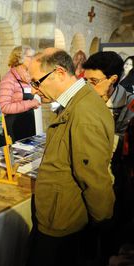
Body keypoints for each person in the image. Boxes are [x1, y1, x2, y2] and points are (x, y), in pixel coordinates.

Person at [26, 48, 115, 266]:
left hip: (62, 222)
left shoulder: (84, 112)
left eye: (37, 82)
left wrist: (102, 224)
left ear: (59, 72)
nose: (34, 91)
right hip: (57, 213)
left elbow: (93, 177)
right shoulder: (77, 102)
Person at [82, 51, 134, 263]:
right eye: (86, 80)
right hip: (87, 169)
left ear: (112, 79)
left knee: (108, 226)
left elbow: (123, 140)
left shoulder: (129, 102)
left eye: (93, 81)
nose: (88, 86)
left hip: (113, 174)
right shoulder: (86, 97)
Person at [0, 45, 40, 142]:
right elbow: (4, 107)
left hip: (29, 122)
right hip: (14, 126)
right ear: (20, 58)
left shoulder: (28, 77)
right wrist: (30, 103)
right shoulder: (8, 79)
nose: (33, 60)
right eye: (30, 57)